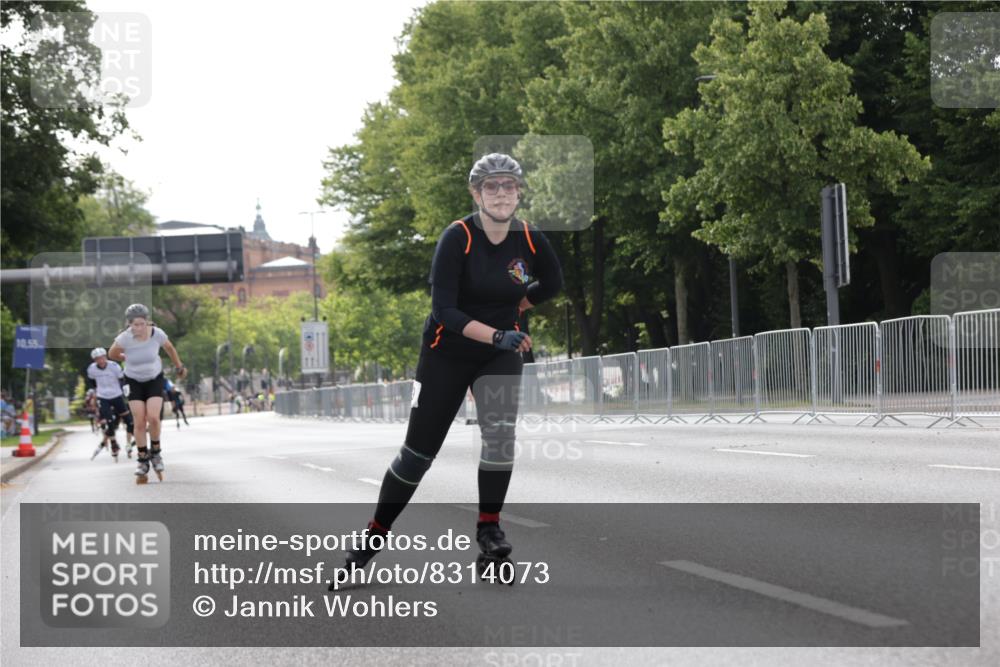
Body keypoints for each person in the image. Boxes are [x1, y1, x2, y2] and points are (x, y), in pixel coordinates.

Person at [333, 153, 563, 586]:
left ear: (518, 192)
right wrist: (498, 334)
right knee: (418, 455)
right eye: (491, 187)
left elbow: (552, 283)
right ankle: (371, 539)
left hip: (500, 351)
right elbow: (444, 312)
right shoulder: (457, 238)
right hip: (447, 352)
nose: (500, 193)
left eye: (508, 186)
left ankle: (489, 528)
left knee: (499, 436)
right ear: (476, 194)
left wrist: (516, 309)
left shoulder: (530, 239)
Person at [108, 303, 187, 484]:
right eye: (135, 325)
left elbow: (170, 348)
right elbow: (112, 353)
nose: (139, 328)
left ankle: (156, 453)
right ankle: (143, 459)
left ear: (147, 322)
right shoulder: (124, 338)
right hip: (133, 380)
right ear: (129, 324)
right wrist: (124, 357)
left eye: (142, 324)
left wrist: (179, 366)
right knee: (139, 420)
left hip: (153, 378)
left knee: (153, 418)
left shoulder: (157, 334)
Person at [85, 347, 136, 462]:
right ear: (94, 360)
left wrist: (124, 390)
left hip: (116, 395)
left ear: (105, 357)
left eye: (102, 358)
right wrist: (97, 391)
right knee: (109, 421)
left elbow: (122, 379)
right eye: (97, 359)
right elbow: (92, 382)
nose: (101, 361)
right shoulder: (92, 369)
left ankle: (130, 442)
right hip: (103, 397)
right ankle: (113, 443)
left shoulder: (114, 366)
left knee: (129, 420)